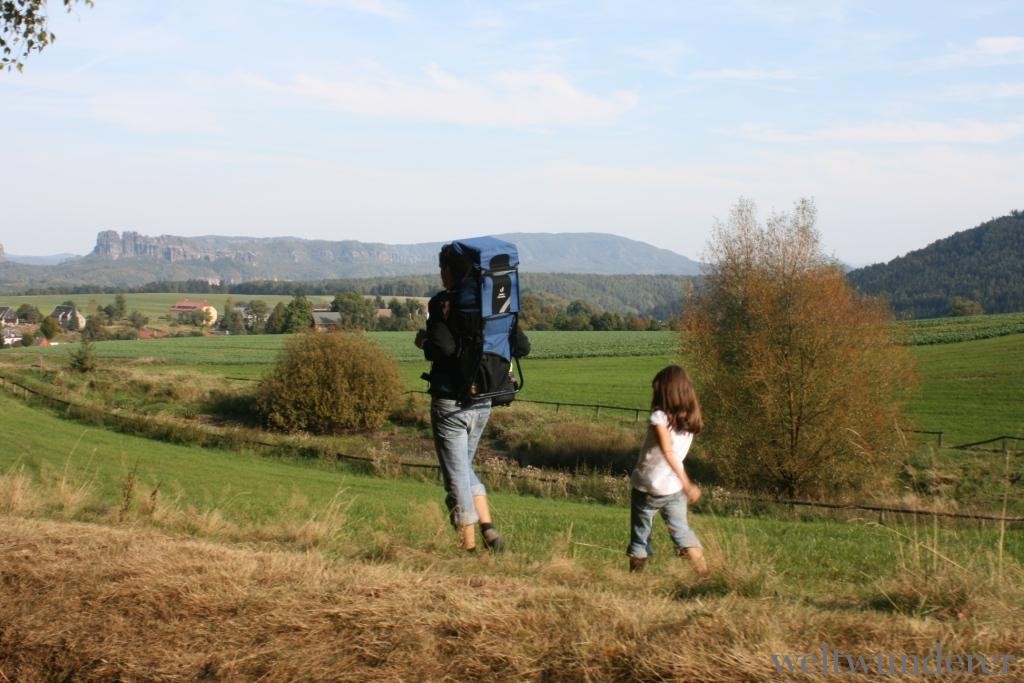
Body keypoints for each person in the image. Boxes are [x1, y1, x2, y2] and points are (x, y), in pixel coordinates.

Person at [415, 246, 530, 554]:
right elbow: (523, 346)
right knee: (462, 467)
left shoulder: (444, 303)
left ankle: (467, 551)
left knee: (455, 476)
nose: (441, 275)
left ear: (450, 271)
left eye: (443, 269)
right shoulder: (498, 305)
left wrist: (424, 339)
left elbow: (444, 347)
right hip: (485, 400)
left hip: (451, 402)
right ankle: (489, 531)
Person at [626, 365, 708, 575]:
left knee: (640, 537)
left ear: (666, 392)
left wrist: (687, 484)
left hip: (647, 487)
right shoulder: (689, 421)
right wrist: (684, 485)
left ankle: (634, 579)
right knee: (682, 533)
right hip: (673, 489)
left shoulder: (659, 418)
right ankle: (705, 575)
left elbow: (668, 452)